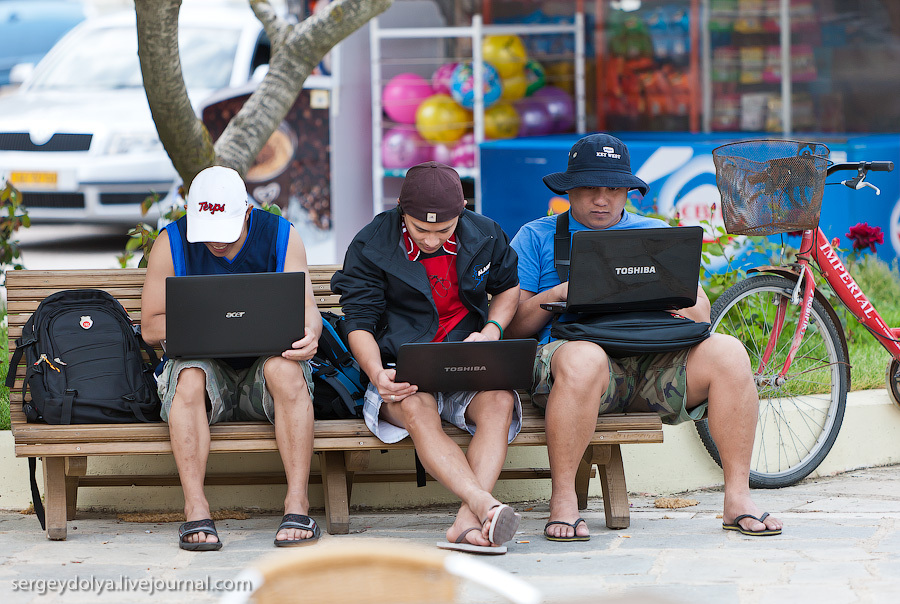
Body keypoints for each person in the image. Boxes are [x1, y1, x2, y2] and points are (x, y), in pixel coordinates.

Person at [506, 133, 783, 541]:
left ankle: (738, 498)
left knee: (729, 352)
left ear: (627, 191)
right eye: (590, 188)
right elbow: (512, 329)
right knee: (584, 358)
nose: (602, 199)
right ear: (569, 190)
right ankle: (563, 500)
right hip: (581, 373)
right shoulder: (536, 236)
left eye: (613, 189)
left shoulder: (655, 233)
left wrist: (669, 296)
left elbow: (701, 313)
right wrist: (558, 294)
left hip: (654, 364)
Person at [331, 161, 523, 554]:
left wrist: (491, 332)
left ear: (463, 208)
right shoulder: (371, 244)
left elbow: (508, 289)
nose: (433, 240)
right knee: (417, 408)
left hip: (465, 362)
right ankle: (485, 505)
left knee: (501, 400)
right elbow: (359, 323)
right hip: (395, 368)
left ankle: (467, 522)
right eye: (422, 230)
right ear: (401, 208)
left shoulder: (485, 233)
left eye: (444, 230)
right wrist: (375, 374)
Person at [141, 166, 323, 551]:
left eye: (225, 234)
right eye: (207, 235)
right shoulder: (170, 243)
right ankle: (195, 507)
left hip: (266, 370)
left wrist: (311, 334)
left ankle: (297, 501)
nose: (216, 246)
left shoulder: (281, 236)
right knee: (189, 376)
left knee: (285, 370)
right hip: (205, 370)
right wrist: (205, 322)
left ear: (246, 213)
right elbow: (152, 327)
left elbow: (308, 309)